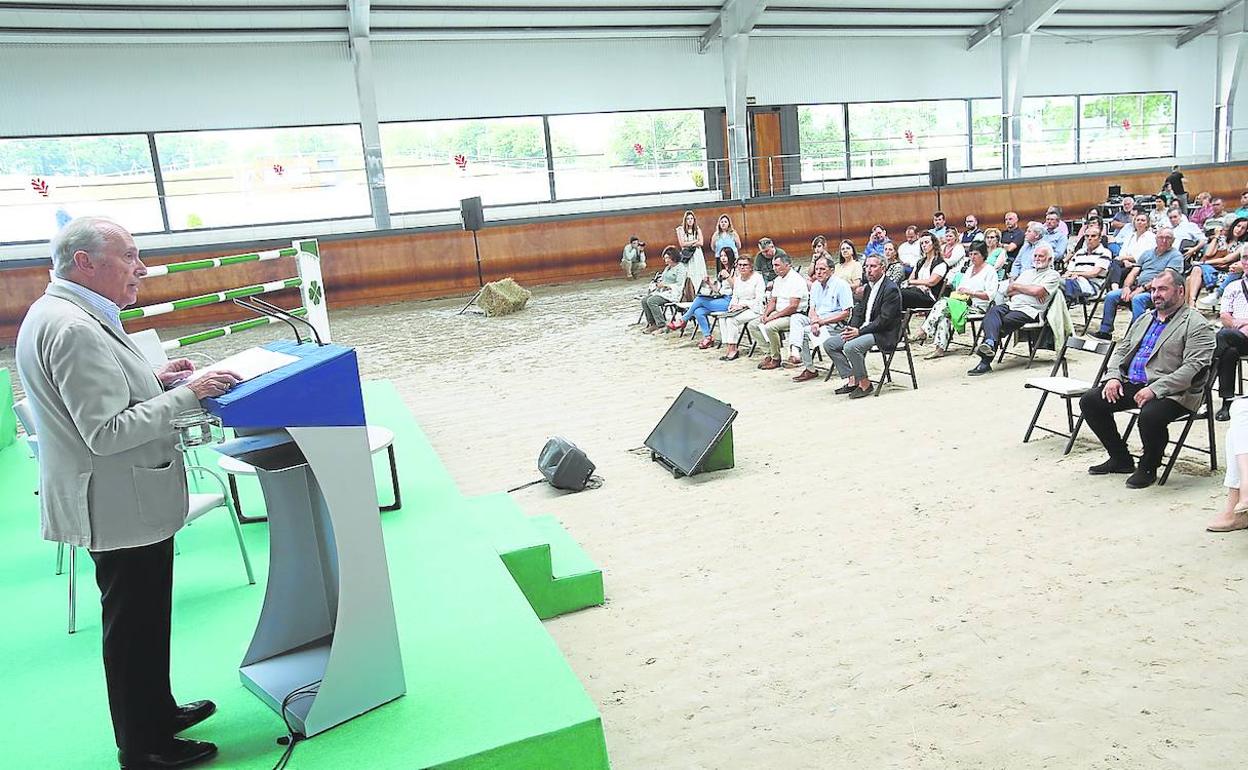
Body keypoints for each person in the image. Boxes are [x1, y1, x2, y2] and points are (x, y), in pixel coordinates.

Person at [14, 217, 241, 770]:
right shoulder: (72, 327)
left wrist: (156, 381)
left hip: (123, 497)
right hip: (116, 501)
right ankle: (143, 746)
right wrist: (187, 395)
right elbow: (105, 431)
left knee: (144, 618)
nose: (141, 268)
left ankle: (156, 712)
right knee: (133, 626)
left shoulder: (71, 314)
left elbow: (100, 399)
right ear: (85, 262)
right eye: (130, 256)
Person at [1078, 268, 1215, 489]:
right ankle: (1120, 458)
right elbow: (1122, 350)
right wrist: (1113, 377)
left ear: (1180, 291)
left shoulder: (1196, 324)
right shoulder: (1145, 318)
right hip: (1135, 384)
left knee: (1150, 415)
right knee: (1090, 401)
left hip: (1176, 391)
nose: (1156, 294)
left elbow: (1193, 368)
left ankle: (1148, 467)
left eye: (1163, 289)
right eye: (1153, 289)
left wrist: (1156, 389)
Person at [968, 242, 1061, 376]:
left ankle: (985, 360)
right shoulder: (1027, 272)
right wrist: (1026, 289)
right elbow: (1009, 291)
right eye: (1035, 256)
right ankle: (990, 342)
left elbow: (1038, 291)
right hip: (1012, 305)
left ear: (1050, 259)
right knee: (992, 312)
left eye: (1041, 256)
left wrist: (1019, 287)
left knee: (1001, 322)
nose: (1037, 259)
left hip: (1030, 311)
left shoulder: (1052, 275)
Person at [824, 255, 902, 399]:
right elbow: (859, 311)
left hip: (883, 333)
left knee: (851, 347)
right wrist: (851, 328)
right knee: (830, 344)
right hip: (864, 329)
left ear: (883, 268)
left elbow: (884, 321)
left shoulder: (890, 289)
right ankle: (853, 378)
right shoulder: (868, 288)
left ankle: (865, 384)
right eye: (867, 266)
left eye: (873, 266)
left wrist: (859, 332)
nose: (868, 270)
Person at [1093, 229, 1183, 339]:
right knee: (1111, 296)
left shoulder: (1176, 256)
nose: (1164, 240)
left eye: (1168, 238)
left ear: (1173, 240)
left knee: (1138, 299)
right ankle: (1105, 331)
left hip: (1159, 291)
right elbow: (1134, 272)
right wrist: (1126, 287)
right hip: (1138, 287)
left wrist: (1141, 289)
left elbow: (1165, 279)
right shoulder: (1147, 254)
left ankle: (1137, 334)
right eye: (1161, 237)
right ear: (1156, 239)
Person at [915, 240, 998, 359]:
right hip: (963, 302)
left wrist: (971, 293)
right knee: (944, 311)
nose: (972, 257)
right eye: (970, 254)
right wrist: (962, 291)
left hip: (979, 306)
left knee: (943, 304)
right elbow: (960, 287)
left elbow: (990, 295)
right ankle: (939, 348)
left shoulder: (990, 271)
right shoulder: (969, 270)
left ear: (983, 255)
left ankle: (925, 330)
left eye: (976, 254)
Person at [791, 256, 853, 383]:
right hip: (818, 320)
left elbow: (846, 313)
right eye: (817, 269)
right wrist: (814, 321)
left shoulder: (841, 285)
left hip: (835, 324)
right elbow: (812, 308)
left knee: (804, 332)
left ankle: (809, 369)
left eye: (822, 269)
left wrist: (820, 322)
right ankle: (795, 350)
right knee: (796, 318)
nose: (818, 272)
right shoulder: (815, 286)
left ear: (831, 270)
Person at [749, 252, 808, 370]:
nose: (774, 268)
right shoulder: (778, 280)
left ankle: (776, 358)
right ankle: (769, 353)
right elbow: (773, 301)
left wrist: (772, 317)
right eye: (773, 265)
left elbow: (793, 307)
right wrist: (765, 314)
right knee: (753, 325)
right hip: (778, 312)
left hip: (794, 315)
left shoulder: (796, 280)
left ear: (788, 265)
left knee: (770, 327)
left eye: (777, 265)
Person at [671, 246, 735, 349]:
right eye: (721, 256)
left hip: (731, 300)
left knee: (699, 299)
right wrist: (709, 283)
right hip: (721, 298)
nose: (723, 258)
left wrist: (728, 277)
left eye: (725, 256)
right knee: (698, 311)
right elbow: (718, 290)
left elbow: (737, 288)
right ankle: (708, 337)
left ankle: (683, 320)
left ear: (730, 256)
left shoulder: (735, 270)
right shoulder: (722, 271)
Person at [1213, 252, 1248, 420]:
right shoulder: (1233, 286)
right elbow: (1225, 316)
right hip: (1238, 335)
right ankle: (1228, 400)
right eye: (1245, 257)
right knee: (1229, 351)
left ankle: (1201, 387)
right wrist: (1240, 325)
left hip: (1235, 334)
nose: (1247, 261)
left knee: (1222, 337)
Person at [718, 255, 766, 361]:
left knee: (731, 320)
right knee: (722, 318)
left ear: (751, 266)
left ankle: (733, 349)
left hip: (754, 308)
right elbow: (735, 295)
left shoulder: (757, 278)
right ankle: (729, 346)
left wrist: (743, 305)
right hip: (740, 308)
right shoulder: (738, 279)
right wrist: (732, 305)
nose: (742, 267)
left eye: (745, 265)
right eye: (739, 265)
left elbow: (759, 299)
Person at [640, 247, 688, 333]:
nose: (665, 260)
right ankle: (652, 324)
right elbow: (663, 279)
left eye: (667, 258)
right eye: (665, 258)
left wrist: (666, 285)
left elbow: (680, 284)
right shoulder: (667, 268)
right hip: (663, 291)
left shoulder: (680, 268)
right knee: (644, 300)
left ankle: (662, 325)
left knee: (652, 301)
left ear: (673, 258)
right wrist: (658, 284)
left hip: (673, 293)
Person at [1061, 225, 1111, 304]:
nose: (1089, 238)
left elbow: (1094, 273)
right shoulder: (1079, 252)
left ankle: (1069, 299)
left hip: (1092, 286)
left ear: (1100, 239)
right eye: (1087, 236)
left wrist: (1076, 274)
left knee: (1055, 284)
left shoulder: (1105, 252)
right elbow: (1069, 271)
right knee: (1053, 283)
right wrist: (1069, 275)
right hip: (1073, 281)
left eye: (1093, 236)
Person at [900, 233, 947, 310]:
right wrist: (914, 284)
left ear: (934, 244)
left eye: (926, 242)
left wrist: (911, 282)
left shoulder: (940, 263)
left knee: (900, 294)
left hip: (929, 296)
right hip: (916, 291)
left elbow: (931, 282)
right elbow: (911, 279)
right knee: (894, 293)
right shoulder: (920, 262)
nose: (924, 245)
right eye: (922, 243)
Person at [676, 210, 707, 289]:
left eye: (691, 219)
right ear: (685, 220)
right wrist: (694, 241)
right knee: (689, 272)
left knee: (699, 271)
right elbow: (682, 244)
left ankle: (700, 288)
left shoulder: (697, 229)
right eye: (688, 219)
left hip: (697, 254)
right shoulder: (681, 230)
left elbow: (701, 243)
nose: (690, 220)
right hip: (687, 254)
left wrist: (689, 243)